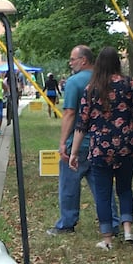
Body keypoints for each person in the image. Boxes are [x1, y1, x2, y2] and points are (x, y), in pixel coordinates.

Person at [69, 47, 133, 250]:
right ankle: (127, 230)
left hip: (100, 148)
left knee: (103, 193)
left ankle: (107, 239)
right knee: (125, 187)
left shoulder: (91, 89)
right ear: (117, 63)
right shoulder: (129, 84)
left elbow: (82, 124)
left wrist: (74, 152)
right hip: (128, 146)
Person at [47, 44, 100, 236]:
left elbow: (69, 113)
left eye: (72, 59)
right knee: (101, 186)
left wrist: (63, 143)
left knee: (69, 184)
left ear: (83, 60)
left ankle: (67, 223)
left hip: (78, 143)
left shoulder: (74, 82)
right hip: (101, 143)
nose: (70, 63)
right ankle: (112, 220)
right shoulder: (104, 80)